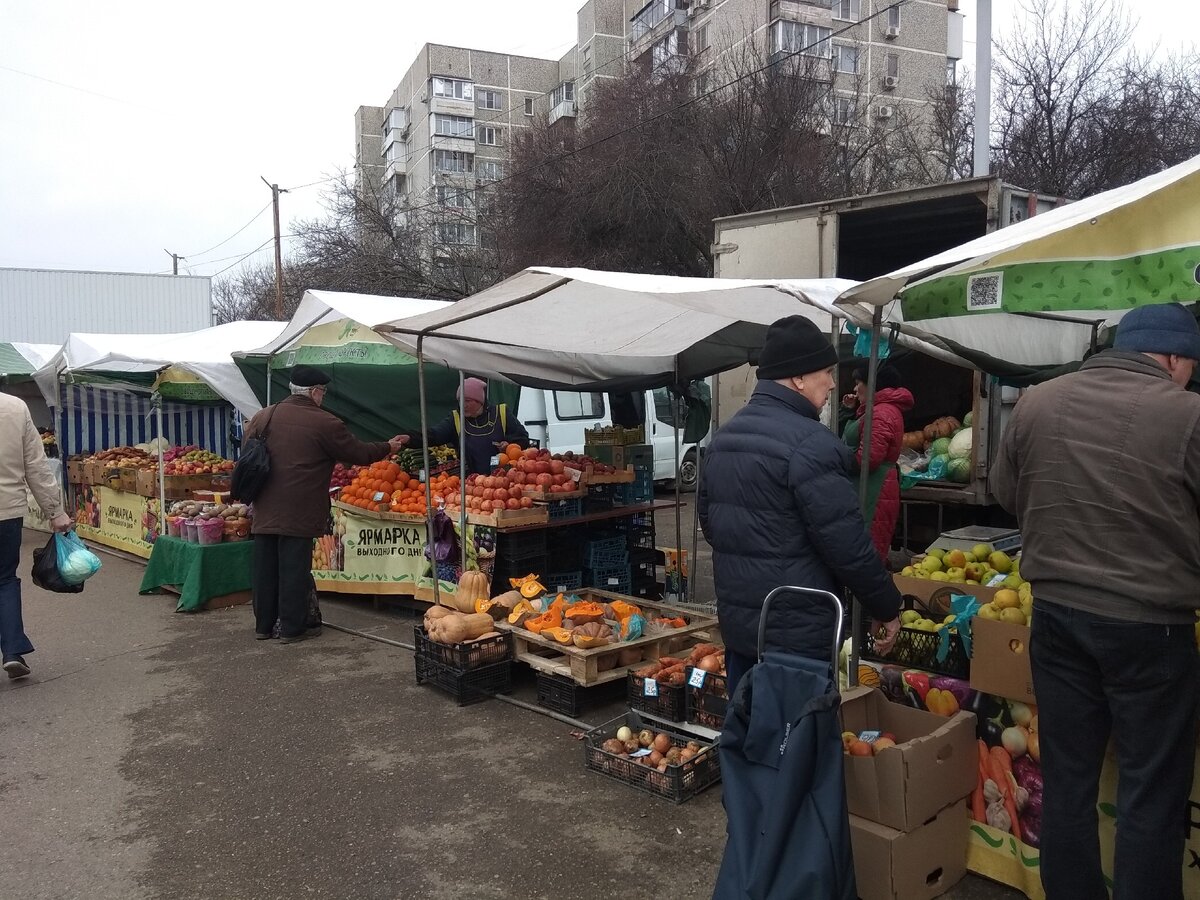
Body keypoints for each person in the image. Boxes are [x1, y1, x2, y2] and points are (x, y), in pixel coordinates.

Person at [991, 302, 1200, 900]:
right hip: (1150, 629)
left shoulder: (1037, 401)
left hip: (1056, 619)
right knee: (1149, 795)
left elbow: (1007, 493)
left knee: (1069, 783)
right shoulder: (1187, 415)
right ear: (1174, 358)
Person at [698, 315, 902, 696]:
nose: (830, 382)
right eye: (825, 371)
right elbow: (848, 547)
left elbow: (712, 525)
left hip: (742, 629)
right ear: (798, 378)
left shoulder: (723, 440)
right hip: (796, 632)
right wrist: (886, 606)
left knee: (749, 729)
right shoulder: (813, 446)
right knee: (795, 743)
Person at [244, 366, 405, 644]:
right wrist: (387, 447)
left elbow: (248, 450)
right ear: (316, 392)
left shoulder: (264, 415)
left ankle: (263, 627)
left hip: (265, 505)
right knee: (294, 569)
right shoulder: (325, 422)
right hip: (300, 508)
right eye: (323, 392)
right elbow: (357, 452)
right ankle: (292, 629)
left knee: (265, 568)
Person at [1, 393, 74, 679]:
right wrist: (55, 511)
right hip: (6, 511)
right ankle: (12, 651)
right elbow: (36, 466)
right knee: (4, 579)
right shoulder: (15, 407)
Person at [840, 364, 914, 562]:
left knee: (867, 552)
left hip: (875, 490)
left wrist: (834, 457)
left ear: (873, 385)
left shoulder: (881, 414)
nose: (855, 389)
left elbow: (867, 460)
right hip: (870, 487)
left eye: (858, 383)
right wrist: (848, 411)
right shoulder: (875, 411)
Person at [400, 377, 528, 477]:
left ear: (480, 401)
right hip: (470, 483)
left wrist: (509, 446)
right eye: (460, 401)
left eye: (467, 401)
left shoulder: (502, 413)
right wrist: (410, 438)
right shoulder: (455, 418)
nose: (463, 405)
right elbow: (434, 435)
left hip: (504, 480)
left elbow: (523, 439)